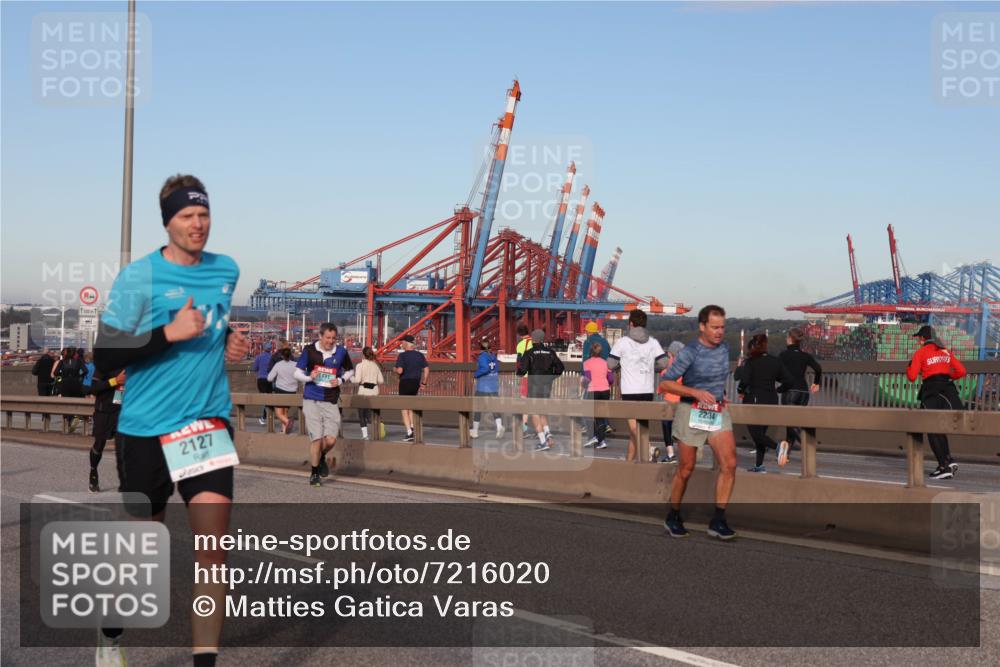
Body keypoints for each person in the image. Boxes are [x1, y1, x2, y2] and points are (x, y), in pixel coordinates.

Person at [94, 173, 250, 667]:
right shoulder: (139, 277)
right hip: (144, 430)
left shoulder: (226, 270)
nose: (198, 224)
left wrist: (228, 342)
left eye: (204, 214)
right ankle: (111, 633)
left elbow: (215, 326)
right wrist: (169, 331)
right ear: (168, 222)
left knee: (213, 551)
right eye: (187, 215)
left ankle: (205, 659)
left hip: (205, 424)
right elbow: (104, 356)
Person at [660, 304, 737, 540]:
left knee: (730, 463)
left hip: (715, 411)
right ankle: (673, 515)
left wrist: (719, 393)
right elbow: (665, 384)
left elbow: (715, 376)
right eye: (714, 327)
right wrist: (695, 392)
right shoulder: (690, 351)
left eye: (722, 327)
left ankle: (718, 520)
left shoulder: (724, 348)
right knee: (686, 468)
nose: (719, 332)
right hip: (690, 410)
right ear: (702, 326)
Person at [294, 323, 354, 486]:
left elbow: (350, 370)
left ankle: (320, 457)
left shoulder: (341, 352)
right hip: (311, 398)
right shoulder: (309, 350)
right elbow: (296, 372)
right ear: (320, 336)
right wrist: (309, 377)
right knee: (317, 438)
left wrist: (340, 380)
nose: (330, 341)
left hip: (331, 399)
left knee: (331, 440)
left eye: (334, 338)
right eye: (328, 338)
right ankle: (314, 474)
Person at [608, 309, 669, 462]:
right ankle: (628, 465)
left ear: (631, 324)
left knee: (634, 427)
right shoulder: (653, 342)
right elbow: (664, 362)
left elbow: (610, 364)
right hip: (647, 390)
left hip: (629, 390)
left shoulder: (622, 342)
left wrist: (621, 367)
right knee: (637, 429)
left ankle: (649, 448)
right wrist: (651, 369)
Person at [906, 325, 966, 480]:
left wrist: (909, 366)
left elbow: (912, 377)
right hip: (948, 391)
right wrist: (946, 376)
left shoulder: (920, 353)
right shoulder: (945, 351)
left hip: (931, 392)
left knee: (931, 429)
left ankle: (943, 467)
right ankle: (948, 460)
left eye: (919, 338)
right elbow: (962, 371)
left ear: (923, 339)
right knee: (940, 428)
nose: (918, 341)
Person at [735, 334, 794, 472]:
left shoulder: (751, 362)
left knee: (756, 434)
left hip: (753, 401)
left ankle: (778, 447)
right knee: (760, 434)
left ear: (754, 346)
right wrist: (779, 389)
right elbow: (789, 380)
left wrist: (740, 390)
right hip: (771, 401)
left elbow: (744, 381)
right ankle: (759, 465)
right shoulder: (775, 361)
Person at [778, 327, 822, 459]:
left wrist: (779, 386)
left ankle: (807, 445)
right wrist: (816, 383)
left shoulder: (783, 355)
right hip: (803, 392)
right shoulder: (805, 356)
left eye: (787, 337)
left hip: (790, 391)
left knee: (790, 422)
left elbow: (777, 373)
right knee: (793, 422)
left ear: (791, 339)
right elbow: (818, 368)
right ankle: (786, 454)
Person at [517, 329, 564, 451]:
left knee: (534, 413)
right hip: (546, 387)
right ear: (543, 339)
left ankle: (543, 442)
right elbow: (560, 368)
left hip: (534, 387)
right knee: (542, 411)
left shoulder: (529, 353)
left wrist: (519, 368)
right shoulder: (550, 352)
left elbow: (521, 371)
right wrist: (551, 378)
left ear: (533, 339)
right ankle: (548, 433)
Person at [87, 368, 126, 493]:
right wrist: (115, 381)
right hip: (104, 411)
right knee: (99, 445)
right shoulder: (104, 364)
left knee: (126, 447)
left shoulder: (130, 363)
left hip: (123, 410)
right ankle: (93, 471)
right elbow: (94, 388)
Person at [394, 334, 429, 442]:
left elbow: (400, 371)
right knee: (411, 407)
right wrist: (424, 383)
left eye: (402, 342)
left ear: (406, 343)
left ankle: (409, 432)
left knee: (404, 408)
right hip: (415, 383)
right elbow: (427, 370)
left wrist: (394, 369)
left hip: (405, 382)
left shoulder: (402, 356)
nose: (401, 344)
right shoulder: (420, 355)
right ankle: (413, 427)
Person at [656, 341, 686, 464]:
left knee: (667, 427)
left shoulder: (669, 367)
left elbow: (663, 385)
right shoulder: (686, 366)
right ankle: (685, 456)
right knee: (681, 430)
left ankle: (670, 454)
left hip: (669, 402)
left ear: (671, 353)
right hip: (683, 402)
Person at [471, 339, 504, 439]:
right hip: (493, 385)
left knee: (478, 408)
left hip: (483, 386)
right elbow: (496, 369)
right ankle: (499, 426)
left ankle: (475, 431)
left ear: (481, 348)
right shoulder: (493, 356)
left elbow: (485, 369)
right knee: (494, 407)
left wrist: (475, 374)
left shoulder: (482, 357)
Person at [581, 341, 612, 449]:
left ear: (590, 352)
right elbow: (611, 379)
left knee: (588, 414)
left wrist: (583, 385)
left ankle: (593, 437)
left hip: (593, 390)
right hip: (605, 390)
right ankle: (601, 440)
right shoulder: (605, 363)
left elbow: (588, 379)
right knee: (600, 416)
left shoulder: (587, 363)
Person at [351, 346, 385, 440]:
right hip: (374, 391)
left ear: (363, 355)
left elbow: (357, 380)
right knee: (371, 415)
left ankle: (365, 435)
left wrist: (351, 378)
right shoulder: (375, 366)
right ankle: (379, 425)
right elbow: (381, 381)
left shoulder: (360, 365)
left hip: (363, 392)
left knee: (362, 414)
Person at [267, 347, 299, 434]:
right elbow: (301, 377)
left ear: (282, 356)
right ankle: (284, 431)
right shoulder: (296, 364)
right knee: (285, 411)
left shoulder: (278, 364)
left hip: (280, 391)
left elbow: (269, 378)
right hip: (292, 391)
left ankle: (288, 422)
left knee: (279, 413)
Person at [515, 323, 533, 434]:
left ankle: (525, 427)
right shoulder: (535, 342)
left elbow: (519, 361)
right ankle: (540, 428)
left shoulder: (521, 345)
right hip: (537, 376)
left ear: (519, 334)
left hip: (526, 376)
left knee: (524, 400)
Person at [251, 344, 273, 425]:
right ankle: (266, 416)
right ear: (271, 349)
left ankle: (264, 417)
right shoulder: (272, 357)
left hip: (261, 380)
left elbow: (254, 369)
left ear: (263, 349)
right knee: (269, 398)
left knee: (264, 398)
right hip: (270, 380)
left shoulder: (259, 357)